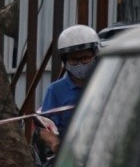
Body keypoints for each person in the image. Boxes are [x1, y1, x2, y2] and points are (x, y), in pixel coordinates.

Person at [37, 24, 100, 155]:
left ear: (95, 55)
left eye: (85, 58)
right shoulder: (55, 90)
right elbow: (45, 128)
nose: (80, 64)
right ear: (65, 60)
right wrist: (55, 142)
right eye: (74, 60)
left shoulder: (105, 82)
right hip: (71, 155)